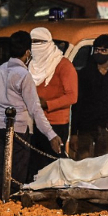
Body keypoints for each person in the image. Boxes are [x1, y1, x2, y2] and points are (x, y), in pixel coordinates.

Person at [0, 30, 62, 200]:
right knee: (16, 172)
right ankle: (11, 207)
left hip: (0, 127)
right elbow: (35, 109)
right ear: (28, 53)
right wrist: (51, 135)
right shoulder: (24, 76)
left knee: (1, 169)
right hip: (19, 130)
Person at [27, 27, 78, 181]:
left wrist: (47, 104)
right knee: (35, 165)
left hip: (56, 124)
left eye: (39, 43)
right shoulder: (30, 65)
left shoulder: (64, 66)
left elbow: (72, 96)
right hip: (33, 123)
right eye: (32, 42)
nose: (35, 47)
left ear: (48, 43)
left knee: (52, 166)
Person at [70, 34, 108, 160]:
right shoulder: (84, 74)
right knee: (83, 163)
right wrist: (74, 134)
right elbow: (77, 104)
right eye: (97, 50)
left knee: (102, 164)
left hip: (105, 126)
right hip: (85, 126)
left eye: (103, 50)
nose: (99, 53)